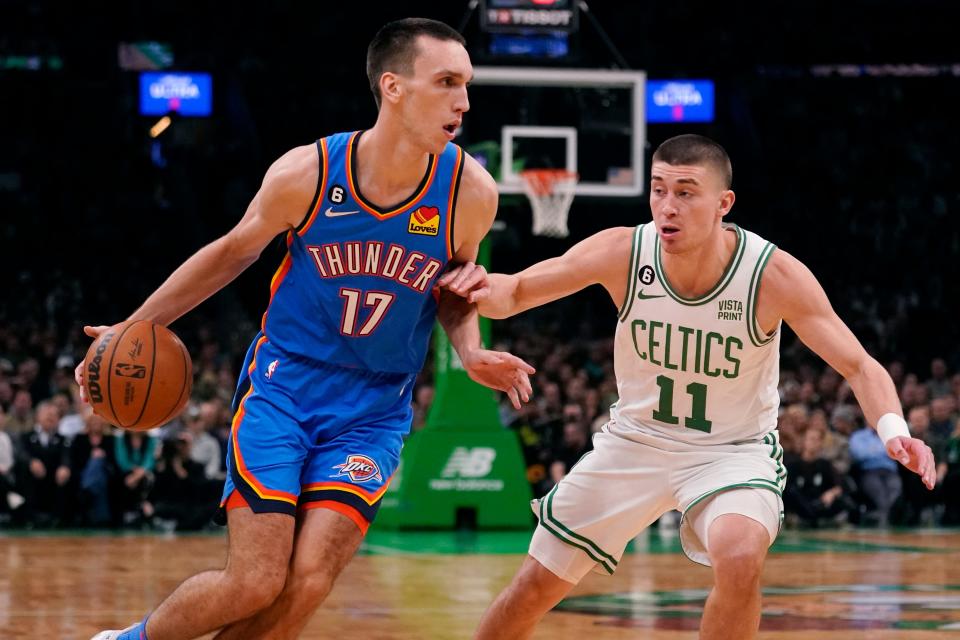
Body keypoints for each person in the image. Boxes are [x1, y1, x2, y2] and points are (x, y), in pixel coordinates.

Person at [79, 18, 533, 640]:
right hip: (284, 388)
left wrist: (473, 351)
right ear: (393, 86)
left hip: (375, 407)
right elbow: (231, 252)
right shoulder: (310, 172)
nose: (464, 101)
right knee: (255, 581)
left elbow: (455, 292)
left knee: (310, 580)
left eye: (467, 84)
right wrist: (132, 327)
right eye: (448, 82)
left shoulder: (469, 192)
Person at [441, 134, 937, 640]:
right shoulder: (624, 251)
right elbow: (518, 291)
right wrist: (473, 284)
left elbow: (859, 365)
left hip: (731, 451)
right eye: (658, 189)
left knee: (741, 555)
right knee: (533, 587)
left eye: (685, 192)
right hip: (634, 443)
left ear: (724, 203)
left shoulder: (772, 275)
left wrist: (894, 429)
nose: (666, 206)